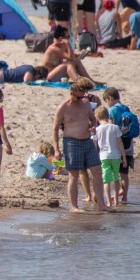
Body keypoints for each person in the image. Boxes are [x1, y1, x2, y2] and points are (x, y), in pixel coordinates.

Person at [52, 80, 107, 213]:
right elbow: (55, 129)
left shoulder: (86, 103)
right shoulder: (63, 107)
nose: (82, 98)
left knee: (97, 170)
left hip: (87, 141)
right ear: (72, 92)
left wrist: (94, 125)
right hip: (71, 143)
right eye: (79, 96)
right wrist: (56, 150)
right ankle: (74, 207)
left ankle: (101, 204)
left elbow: (92, 118)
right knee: (73, 175)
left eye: (84, 96)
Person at [93, 107, 123, 208]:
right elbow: (119, 143)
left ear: (97, 117)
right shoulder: (115, 127)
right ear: (107, 116)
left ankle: (108, 202)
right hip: (116, 156)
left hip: (104, 157)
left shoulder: (97, 129)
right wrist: (124, 157)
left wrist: (95, 157)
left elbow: (95, 145)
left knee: (106, 180)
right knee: (116, 178)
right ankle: (116, 201)